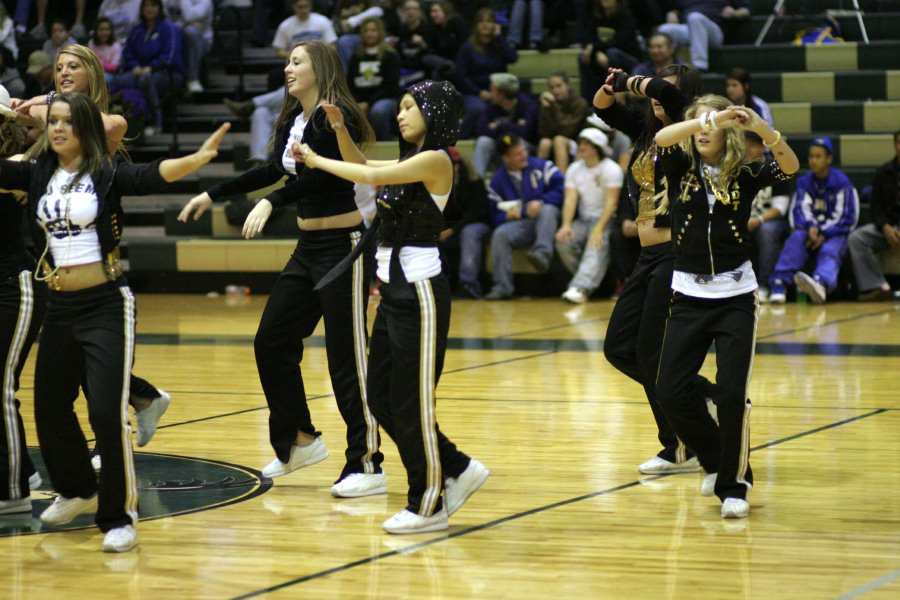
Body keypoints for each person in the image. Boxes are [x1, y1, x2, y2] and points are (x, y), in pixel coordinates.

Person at [0, 92, 229, 552]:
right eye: (54, 122)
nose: (58, 128)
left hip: (106, 303)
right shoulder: (37, 171)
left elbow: (149, 175)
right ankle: (79, 489)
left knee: (106, 410)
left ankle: (119, 514)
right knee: (49, 409)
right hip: (60, 304)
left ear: (84, 128)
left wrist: (196, 160)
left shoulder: (104, 173)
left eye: (67, 122)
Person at [178, 41, 386, 498]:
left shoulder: (337, 117)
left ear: (320, 69)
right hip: (309, 246)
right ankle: (300, 439)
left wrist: (272, 201)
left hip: (344, 248)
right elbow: (273, 168)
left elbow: (324, 177)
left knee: (346, 358)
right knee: (271, 340)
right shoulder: (294, 119)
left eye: (297, 62)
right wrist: (213, 195)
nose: (287, 68)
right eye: (287, 61)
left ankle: (367, 463)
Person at [293, 79, 489, 534]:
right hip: (393, 293)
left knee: (412, 403)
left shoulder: (437, 160)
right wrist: (341, 133)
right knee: (380, 397)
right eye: (399, 108)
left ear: (434, 113)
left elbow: (371, 177)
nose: (400, 115)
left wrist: (315, 157)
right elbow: (366, 165)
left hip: (420, 292)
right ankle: (457, 465)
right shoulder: (409, 160)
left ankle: (430, 502)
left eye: (410, 107)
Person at [9, 44, 172, 450]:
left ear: (92, 74)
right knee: (72, 356)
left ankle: (113, 442)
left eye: (73, 66)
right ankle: (144, 397)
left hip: (96, 248)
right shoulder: (51, 125)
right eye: (59, 67)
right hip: (52, 246)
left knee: (96, 355)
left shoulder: (106, 120)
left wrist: (37, 103)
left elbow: (102, 128)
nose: (63, 72)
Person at [653, 95, 798, 519]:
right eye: (697, 122)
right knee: (670, 390)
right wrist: (708, 117)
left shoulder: (745, 171)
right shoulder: (678, 167)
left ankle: (734, 485)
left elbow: (788, 167)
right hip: (688, 294)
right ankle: (716, 458)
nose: (703, 130)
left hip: (735, 296)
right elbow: (663, 137)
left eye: (712, 124)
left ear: (728, 133)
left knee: (733, 394)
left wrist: (763, 130)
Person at [596, 65, 710, 475]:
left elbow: (672, 98)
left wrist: (636, 82)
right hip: (646, 258)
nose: (659, 96)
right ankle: (702, 394)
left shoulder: (689, 131)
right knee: (619, 348)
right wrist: (612, 85)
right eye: (657, 90)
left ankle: (680, 446)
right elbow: (603, 108)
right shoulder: (646, 132)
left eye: (669, 91)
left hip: (676, 254)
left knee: (649, 353)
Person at [0, 99, 45, 516]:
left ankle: (13, 490)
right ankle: (21, 468)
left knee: (1, 385)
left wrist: (29, 110)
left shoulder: (16, 163)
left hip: (14, 283)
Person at [769, 137, 858, 304]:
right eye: (811, 157)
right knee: (795, 240)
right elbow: (799, 210)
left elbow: (848, 217)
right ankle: (779, 285)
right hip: (811, 231)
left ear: (829, 159)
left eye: (818, 157)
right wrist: (811, 227)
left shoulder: (842, 183)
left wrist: (823, 232)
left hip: (835, 233)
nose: (813, 161)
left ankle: (820, 284)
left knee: (830, 250)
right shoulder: (804, 182)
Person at [480, 133, 564, 300]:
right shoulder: (497, 181)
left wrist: (542, 201)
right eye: (518, 154)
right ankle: (502, 287)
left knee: (547, 209)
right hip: (523, 225)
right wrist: (507, 216)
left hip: (548, 221)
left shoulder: (543, 166)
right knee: (500, 234)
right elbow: (493, 214)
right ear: (505, 158)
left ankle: (542, 254)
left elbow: (562, 189)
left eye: (523, 151)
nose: (524, 155)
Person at [555, 128, 623, 303]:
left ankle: (580, 288)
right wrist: (566, 225)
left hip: (605, 219)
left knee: (595, 245)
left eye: (586, 143)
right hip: (583, 219)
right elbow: (570, 199)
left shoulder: (612, 169)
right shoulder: (574, 169)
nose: (581, 146)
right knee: (563, 242)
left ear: (597, 148)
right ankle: (592, 281)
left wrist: (599, 229)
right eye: (581, 142)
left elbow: (611, 203)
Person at [118, 0, 184, 138]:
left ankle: (155, 122)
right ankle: (127, 123)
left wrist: (152, 67)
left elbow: (170, 56)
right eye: (146, 6)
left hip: (168, 72)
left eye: (153, 5)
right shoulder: (137, 29)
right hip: (140, 70)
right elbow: (128, 52)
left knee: (146, 80)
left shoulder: (169, 28)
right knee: (121, 80)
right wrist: (135, 65)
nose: (149, 9)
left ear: (159, 8)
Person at [849, 130, 900, 301]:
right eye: (899, 142)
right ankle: (878, 285)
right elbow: (876, 207)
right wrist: (886, 227)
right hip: (887, 227)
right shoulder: (883, 172)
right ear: (895, 146)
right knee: (856, 238)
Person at [453, 7, 517, 138]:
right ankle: (458, 138)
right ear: (475, 25)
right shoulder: (467, 48)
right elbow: (460, 76)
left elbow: (513, 58)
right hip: (474, 91)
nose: (485, 24)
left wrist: (499, 37)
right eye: (481, 21)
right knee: (478, 109)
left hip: (499, 91)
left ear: (495, 24)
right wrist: (480, 92)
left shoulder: (499, 45)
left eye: (489, 21)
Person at [744, 131, 790, 301]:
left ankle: (764, 285)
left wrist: (758, 220)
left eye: (752, 145)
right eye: (745, 144)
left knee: (768, 231)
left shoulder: (774, 169)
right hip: (744, 219)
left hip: (769, 221)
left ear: (763, 147)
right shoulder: (737, 169)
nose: (747, 148)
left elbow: (780, 209)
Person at [472, 73, 538, 178]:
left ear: (501, 95)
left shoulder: (527, 105)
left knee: (519, 143)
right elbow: (480, 129)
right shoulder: (492, 105)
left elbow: (525, 132)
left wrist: (499, 125)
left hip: (523, 146)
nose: (490, 94)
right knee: (483, 141)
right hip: (499, 144)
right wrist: (513, 127)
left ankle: (519, 180)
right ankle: (476, 182)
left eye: (492, 91)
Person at [658, 0, 751, 72]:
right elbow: (676, 8)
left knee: (695, 17)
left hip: (714, 31)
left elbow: (747, 9)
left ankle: (699, 67)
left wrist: (735, 13)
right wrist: (673, 13)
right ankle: (665, 68)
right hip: (689, 28)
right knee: (664, 29)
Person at [347, 17, 401, 141]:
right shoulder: (356, 57)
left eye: (373, 30)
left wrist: (368, 103)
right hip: (361, 100)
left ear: (380, 33)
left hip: (385, 99)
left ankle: (383, 143)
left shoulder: (390, 56)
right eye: (366, 31)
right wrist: (358, 103)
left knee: (378, 111)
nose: (369, 33)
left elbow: (391, 87)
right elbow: (350, 84)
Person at [577, 0, 642, 103]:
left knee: (613, 53)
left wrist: (594, 48)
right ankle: (589, 102)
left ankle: (611, 99)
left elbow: (618, 42)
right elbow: (588, 37)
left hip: (629, 60)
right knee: (582, 56)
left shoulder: (626, 16)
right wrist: (596, 52)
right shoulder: (595, 15)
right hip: (604, 53)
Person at [537, 72, 591, 174]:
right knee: (544, 142)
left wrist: (553, 106)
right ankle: (540, 181)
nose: (555, 91)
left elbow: (567, 130)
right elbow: (544, 132)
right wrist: (545, 109)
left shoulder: (580, 103)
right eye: (552, 87)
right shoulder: (549, 104)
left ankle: (561, 182)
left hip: (576, 143)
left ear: (568, 86)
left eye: (558, 86)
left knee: (559, 140)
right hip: (556, 139)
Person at [164, 0, 214, 94]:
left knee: (191, 32)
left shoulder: (205, 1)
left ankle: (192, 79)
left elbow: (189, 16)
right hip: (175, 37)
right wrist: (184, 24)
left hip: (202, 41)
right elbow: (161, 18)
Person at [88, 17, 123, 86]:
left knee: (98, 80)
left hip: (110, 74)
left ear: (111, 31)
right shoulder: (91, 43)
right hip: (93, 72)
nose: (104, 33)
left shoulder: (116, 46)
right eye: (101, 29)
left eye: (107, 30)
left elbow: (114, 66)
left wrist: (100, 65)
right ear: (96, 31)